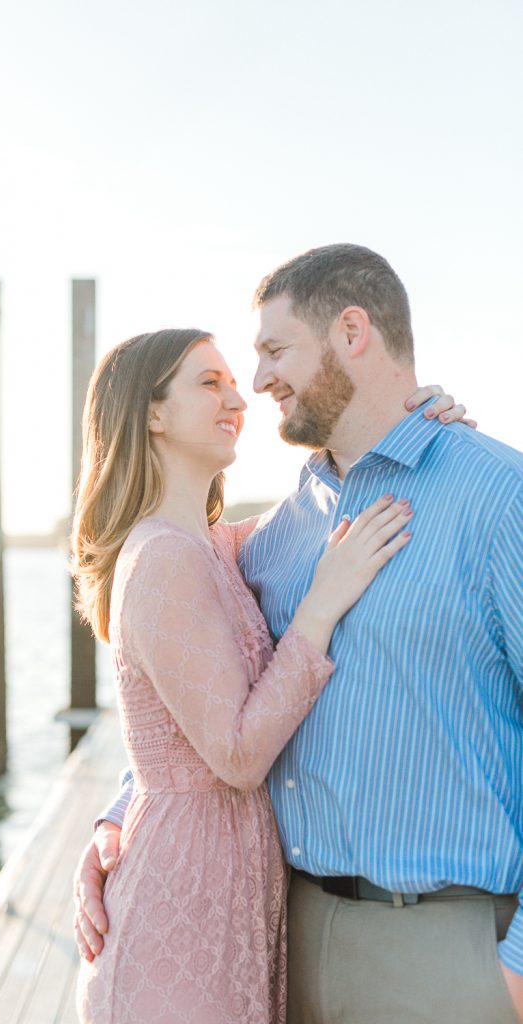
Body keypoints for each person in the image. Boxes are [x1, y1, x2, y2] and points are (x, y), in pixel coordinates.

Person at [75, 244, 523, 1024]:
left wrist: (512, 970)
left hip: (446, 950)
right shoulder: (283, 529)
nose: (256, 384)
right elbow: (195, 682)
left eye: (273, 350)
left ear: (352, 332)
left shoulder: (496, 496)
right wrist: (124, 811)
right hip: (285, 939)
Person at [71, 326, 422, 1023]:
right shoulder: (162, 559)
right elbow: (235, 755)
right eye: (209, 383)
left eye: (234, 383)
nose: (238, 398)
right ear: (151, 413)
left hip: (222, 893)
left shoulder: (211, 544)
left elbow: (321, 507)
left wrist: (417, 418)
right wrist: (319, 606)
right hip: (177, 905)